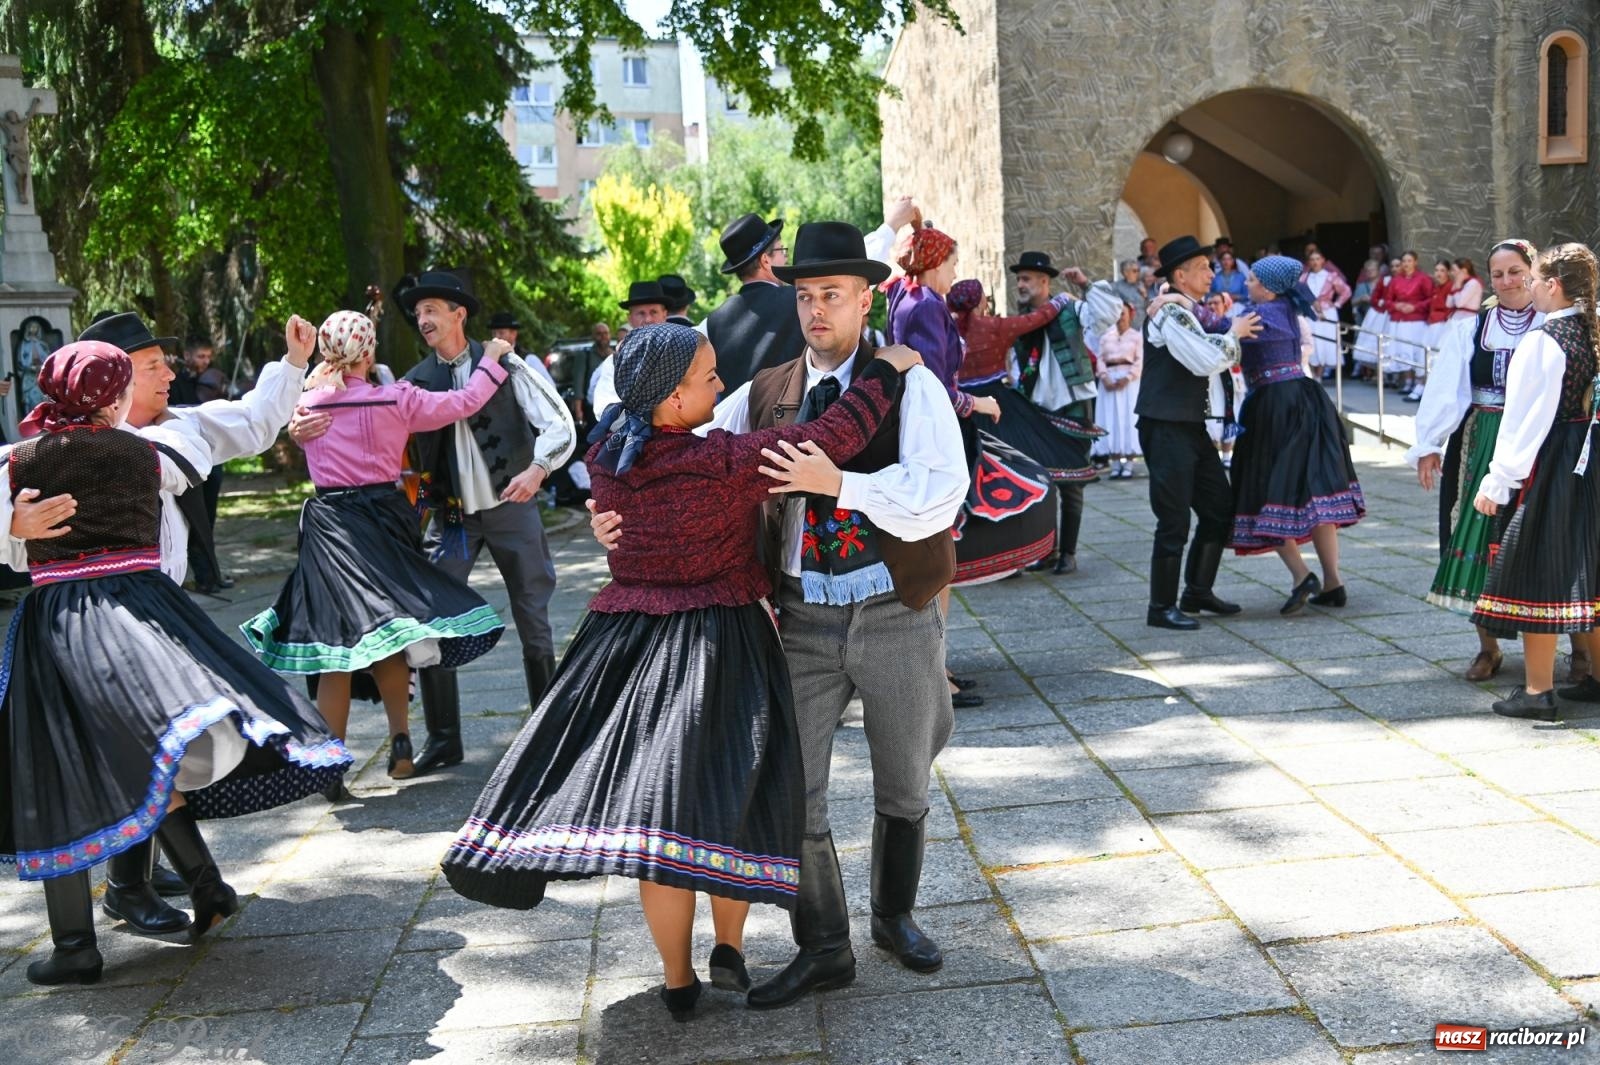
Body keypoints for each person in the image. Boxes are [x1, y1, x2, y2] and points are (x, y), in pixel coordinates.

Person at [444, 324, 918, 1021]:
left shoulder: (610, 451)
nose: (721, 386)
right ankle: (728, 947)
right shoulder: (719, 462)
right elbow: (831, 436)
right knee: (729, 803)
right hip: (722, 642)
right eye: (708, 377)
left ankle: (677, 978)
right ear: (670, 401)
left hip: (625, 646)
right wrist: (887, 371)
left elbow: (606, 479)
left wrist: (605, 523)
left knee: (658, 823)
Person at [592, 222, 968, 1009]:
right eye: (804, 296)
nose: (816, 310)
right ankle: (824, 945)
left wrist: (845, 483)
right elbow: (667, 445)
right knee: (792, 791)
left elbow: (941, 491)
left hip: (895, 606)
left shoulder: (914, 383)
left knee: (905, 779)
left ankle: (894, 918)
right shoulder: (763, 393)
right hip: (800, 616)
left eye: (833, 294)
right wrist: (615, 512)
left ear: (867, 300)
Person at [0, 342, 352, 986]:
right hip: (144, 610)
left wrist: (10, 521)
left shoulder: (16, 462)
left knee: (57, 765)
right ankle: (203, 880)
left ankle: (77, 944)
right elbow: (212, 445)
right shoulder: (151, 453)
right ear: (114, 397)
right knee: (147, 749)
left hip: (61, 621)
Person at [291, 272, 576, 778]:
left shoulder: (506, 363)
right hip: (452, 515)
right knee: (430, 620)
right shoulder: (414, 379)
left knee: (534, 619)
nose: (422, 320)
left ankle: (549, 734)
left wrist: (538, 471)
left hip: (514, 506)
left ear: (458, 315)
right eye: (417, 312)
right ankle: (443, 739)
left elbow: (558, 422)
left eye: (432, 310)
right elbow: (391, 444)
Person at [246, 312, 510, 784]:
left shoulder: (307, 406)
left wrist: (294, 424)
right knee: (389, 635)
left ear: (327, 351)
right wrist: (491, 358)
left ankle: (329, 766)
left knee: (336, 647)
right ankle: (402, 739)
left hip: (331, 527)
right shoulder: (397, 397)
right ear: (368, 352)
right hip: (385, 520)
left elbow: (291, 422)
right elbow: (465, 401)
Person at [1470, 243, 1600, 721]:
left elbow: (1525, 421)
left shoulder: (1544, 342)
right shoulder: (1594, 329)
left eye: (1535, 278)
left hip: (1554, 462)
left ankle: (1538, 690)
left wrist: (1497, 481)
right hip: (1591, 459)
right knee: (1590, 566)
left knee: (1538, 568)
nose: (1528, 287)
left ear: (1554, 285)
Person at [1407, 239, 1546, 681]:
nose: (1506, 281)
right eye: (1498, 274)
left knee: (1548, 535)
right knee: (1475, 531)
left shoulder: (1552, 323)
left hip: (1542, 440)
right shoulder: (1471, 328)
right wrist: (1429, 442)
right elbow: (1447, 387)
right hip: (1480, 440)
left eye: (1515, 271)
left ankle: (1578, 648)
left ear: (1533, 270)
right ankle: (1487, 647)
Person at [1136, 236, 1262, 630]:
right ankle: (1161, 608)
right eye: (1204, 268)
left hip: (1189, 426)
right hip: (1166, 427)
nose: (1212, 273)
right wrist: (1236, 333)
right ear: (1180, 275)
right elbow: (1205, 358)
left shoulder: (1183, 309)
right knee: (1173, 519)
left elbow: (1206, 340)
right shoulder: (1169, 314)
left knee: (1218, 509)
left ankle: (1197, 591)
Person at [1227, 256, 1366, 613]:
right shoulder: (1288, 307)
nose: (1247, 283)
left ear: (1270, 287)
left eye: (1253, 279)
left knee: (1263, 487)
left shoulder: (1259, 316)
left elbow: (1219, 336)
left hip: (1274, 406)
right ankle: (1333, 581)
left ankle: (1302, 574)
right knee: (1313, 492)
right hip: (1305, 399)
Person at [1009, 250, 1118, 575]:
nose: (1021, 284)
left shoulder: (1071, 309)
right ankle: (1048, 550)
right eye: (1019, 279)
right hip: (1036, 407)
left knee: (1073, 481)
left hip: (1072, 402)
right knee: (1041, 480)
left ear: (1045, 282)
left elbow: (1109, 314)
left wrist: (1086, 284)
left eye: (1026, 279)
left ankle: (1068, 553)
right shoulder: (1021, 318)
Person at [1094, 300, 1143, 479]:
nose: (1120, 317)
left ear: (1130, 314)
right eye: (1116, 313)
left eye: (1122, 313)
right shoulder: (1107, 336)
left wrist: (1128, 377)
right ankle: (1114, 463)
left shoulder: (1136, 337)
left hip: (1128, 382)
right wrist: (1105, 377)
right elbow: (1099, 358)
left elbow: (1140, 360)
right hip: (1109, 380)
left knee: (1128, 419)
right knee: (1110, 418)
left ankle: (1129, 464)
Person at [1386, 251, 1434, 399]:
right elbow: (1388, 300)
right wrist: (1397, 305)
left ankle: (1418, 383)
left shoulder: (1423, 278)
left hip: (1417, 320)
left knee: (1417, 351)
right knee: (1403, 350)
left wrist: (1415, 307)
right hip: (1401, 320)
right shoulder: (1395, 280)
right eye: (1404, 261)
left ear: (1415, 262)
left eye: (1409, 261)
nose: (1406, 264)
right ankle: (1407, 381)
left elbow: (1431, 298)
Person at [1302, 248, 1351, 381]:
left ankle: (1319, 375)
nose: (1315, 262)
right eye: (1312, 259)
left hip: (1327, 312)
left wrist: (1336, 304)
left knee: (1324, 342)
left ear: (1323, 260)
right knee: (1310, 340)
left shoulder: (1331, 276)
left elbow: (1346, 291)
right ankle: (1311, 374)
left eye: (1318, 259)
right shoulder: (1304, 277)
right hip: (1310, 311)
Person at [1352, 263, 1390, 380]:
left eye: (1372, 269)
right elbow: (1353, 302)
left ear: (1379, 270)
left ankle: (1382, 373)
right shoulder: (1362, 286)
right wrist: (1361, 299)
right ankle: (1367, 371)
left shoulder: (1386, 283)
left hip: (1382, 317)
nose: (1370, 272)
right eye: (1367, 270)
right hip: (1366, 318)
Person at [1113, 260, 1150, 329]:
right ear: (1125, 273)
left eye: (1139, 270)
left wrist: (1145, 295)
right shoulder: (1117, 287)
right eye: (1135, 271)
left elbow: (1149, 308)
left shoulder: (1141, 285)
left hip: (1142, 324)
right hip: (1127, 326)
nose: (1138, 273)